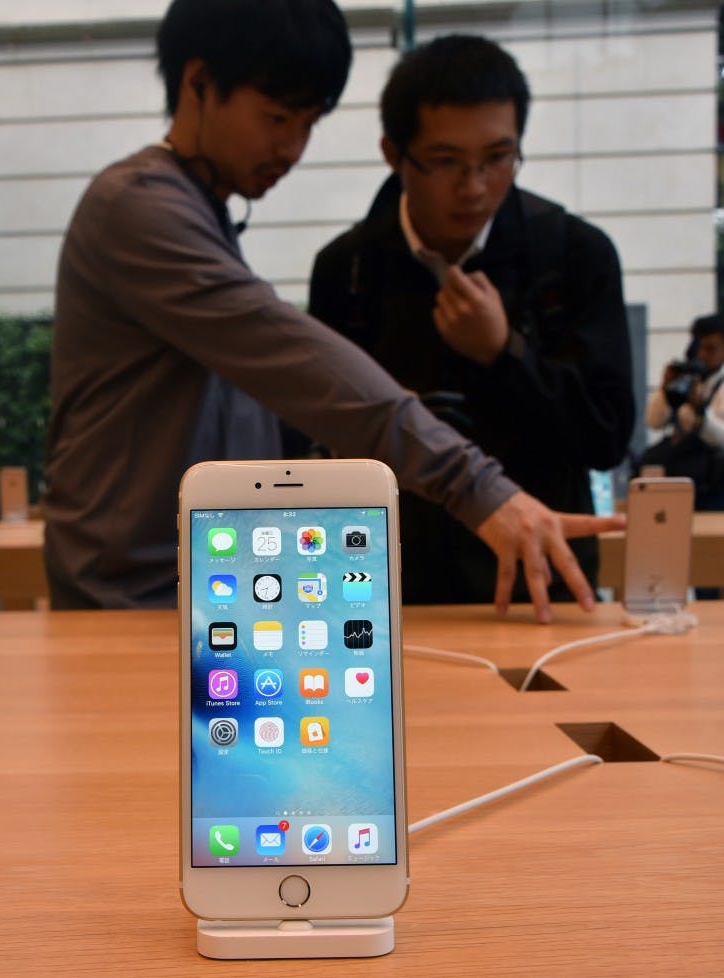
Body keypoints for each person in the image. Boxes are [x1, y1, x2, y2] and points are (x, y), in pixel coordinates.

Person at [43, 0, 623, 622]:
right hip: (133, 598)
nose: (292, 148)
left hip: (205, 584)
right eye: (276, 118)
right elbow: (298, 364)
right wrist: (475, 486)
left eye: (309, 123)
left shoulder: (198, 208)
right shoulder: (140, 209)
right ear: (199, 84)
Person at [309, 34, 634, 604]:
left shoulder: (573, 254)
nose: (475, 187)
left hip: (541, 589)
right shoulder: (349, 269)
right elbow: (319, 441)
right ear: (393, 154)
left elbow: (606, 438)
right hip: (386, 591)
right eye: (446, 162)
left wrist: (505, 354)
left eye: (498, 158)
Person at [643, 313, 724, 509]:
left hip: (714, 485)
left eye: (711, 348)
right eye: (700, 347)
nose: (703, 355)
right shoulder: (691, 378)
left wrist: (700, 411)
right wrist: (666, 389)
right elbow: (654, 421)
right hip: (682, 478)